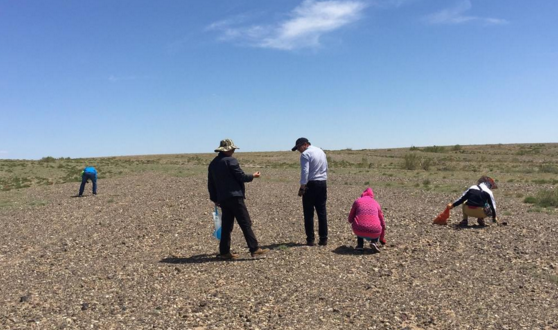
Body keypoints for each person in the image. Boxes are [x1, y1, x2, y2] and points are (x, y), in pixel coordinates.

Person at [208, 139, 268, 259]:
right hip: (235, 197)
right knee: (245, 222)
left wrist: (214, 198)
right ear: (229, 149)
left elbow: (211, 183)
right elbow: (241, 176)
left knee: (226, 225)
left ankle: (224, 251)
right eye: (233, 149)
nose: (234, 151)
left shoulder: (213, 163)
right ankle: (254, 248)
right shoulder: (231, 160)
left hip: (223, 198)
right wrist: (253, 176)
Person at [292, 137, 328, 246]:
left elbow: (305, 171)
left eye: (299, 147)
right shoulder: (321, 151)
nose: (298, 150)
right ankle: (323, 238)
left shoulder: (305, 154)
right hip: (322, 182)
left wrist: (303, 186)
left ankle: (310, 239)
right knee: (321, 211)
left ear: (305, 144)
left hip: (311, 184)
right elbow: (326, 167)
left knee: (308, 213)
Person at [348, 187, 386, 253]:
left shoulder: (357, 201)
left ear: (363, 194)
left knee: (359, 222)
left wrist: (353, 220)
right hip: (374, 231)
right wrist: (382, 239)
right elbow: (382, 223)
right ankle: (374, 242)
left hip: (359, 230)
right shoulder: (376, 203)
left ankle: (360, 245)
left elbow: (350, 219)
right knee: (376, 223)